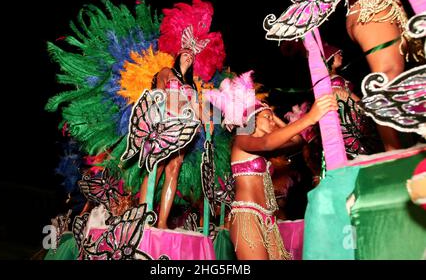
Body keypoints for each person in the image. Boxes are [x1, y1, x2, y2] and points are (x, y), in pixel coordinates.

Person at [205, 71, 338, 260]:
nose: (271, 121)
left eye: (271, 117)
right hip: (247, 216)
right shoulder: (242, 139)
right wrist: (309, 118)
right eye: (266, 117)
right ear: (251, 120)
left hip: (268, 219)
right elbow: (267, 142)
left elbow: (298, 141)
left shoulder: (265, 150)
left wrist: (269, 113)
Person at [330, 0, 409, 151]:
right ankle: (394, 154)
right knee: (387, 79)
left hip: (370, 7)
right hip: (372, 6)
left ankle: (399, 150)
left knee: (394, 80)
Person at [138, 50, 200, 229]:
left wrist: (210, 122)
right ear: (178, 56)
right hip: (165, 124)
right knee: (157, 167)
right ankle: (142, 217)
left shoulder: (192, 85)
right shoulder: (167, 72)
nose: (189, 55)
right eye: (186, 53)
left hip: (184, 131)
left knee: (174, 168)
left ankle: (162, 222)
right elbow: (157, 94)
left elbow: (198, 110)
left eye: (192, 55)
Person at [325, 43, 383, 158]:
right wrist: (366, 107)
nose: (341, 55)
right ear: (329, 57)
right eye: (337, 54)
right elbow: (348, 98)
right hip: (354, 122)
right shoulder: (335, 81)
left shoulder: (329, 80)